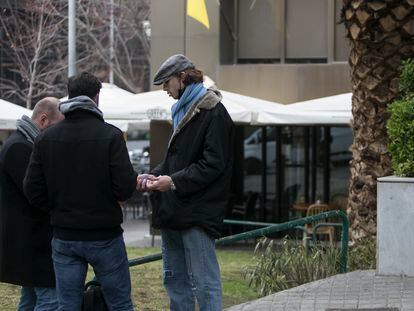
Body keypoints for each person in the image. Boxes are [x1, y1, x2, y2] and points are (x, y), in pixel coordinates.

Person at [23, 72, 137, 310]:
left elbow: (32, 188)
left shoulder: (45, 138)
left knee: (67, 305)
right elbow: (125, 187)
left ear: (69, 95)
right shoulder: (111, 135)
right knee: (120, 304)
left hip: (65, 235)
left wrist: (56, 207)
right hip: (105, 234)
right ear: (96, 98)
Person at [138, 54, 234, 311]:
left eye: (167, 83)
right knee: (175, 281)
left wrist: (172, 182)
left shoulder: (213, 112)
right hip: (174, 210)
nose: (165, 90)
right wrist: (154, 176)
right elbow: (176, 162)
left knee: (204, 284)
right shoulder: (183, 110)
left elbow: (213, 165)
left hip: (198, 213)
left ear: (182, 77)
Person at [0, 97, 64, 310]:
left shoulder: (21, 143)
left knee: (31, 299)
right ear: (44, 120)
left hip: (29, 240)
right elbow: (36, 193)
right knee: (50, 300)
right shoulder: (20, 147)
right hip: (32, 240)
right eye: (57, 127)